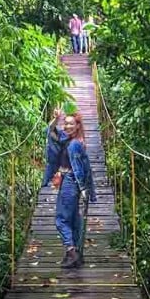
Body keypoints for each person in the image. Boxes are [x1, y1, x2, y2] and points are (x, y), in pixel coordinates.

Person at [42, 109, 97, 268]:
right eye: (65, 123)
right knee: (74, 219)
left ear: (78, 125)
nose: (67, 126)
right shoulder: (66, 139)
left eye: (71, 123)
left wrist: (85, 189)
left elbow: (82, 168)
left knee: (61, 219)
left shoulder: (74, 145)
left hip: (71, 181)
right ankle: (75, 256)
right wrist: (56, 119)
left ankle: (71, 251)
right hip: (68, 180)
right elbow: (48, 131)